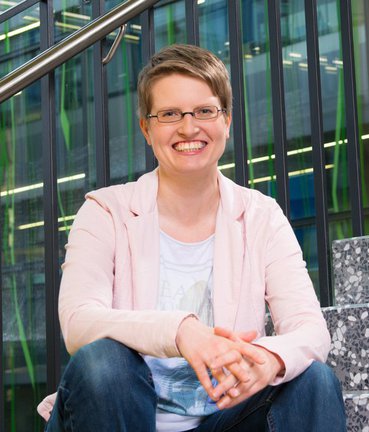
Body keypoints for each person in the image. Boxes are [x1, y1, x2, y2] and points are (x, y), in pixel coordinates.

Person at [36, 43, 347, 431]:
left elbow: (311, 330)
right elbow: (79, 324)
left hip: (221, 418)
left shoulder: (261, 216)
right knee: (103, 362)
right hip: (120, 415)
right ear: (146, 128)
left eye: (204, 111)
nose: (188, 127)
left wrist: (269, 360)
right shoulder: (106, 212)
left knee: (312, 380)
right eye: (169, 114)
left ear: (227, 120)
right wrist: (181, 331)